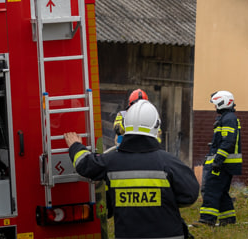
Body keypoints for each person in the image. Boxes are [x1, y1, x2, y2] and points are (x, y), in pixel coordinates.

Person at [64, 99, 199, 239]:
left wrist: (75, 146)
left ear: (125, 126)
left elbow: (84, 165)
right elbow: (189, 196)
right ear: (156, 127)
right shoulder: (169, 163)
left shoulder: (111, 161)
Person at [197, 90, 242, 227]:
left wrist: (217, 161)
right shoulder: (228, 118)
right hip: (226, 164)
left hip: (222, 164)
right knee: (221, 192)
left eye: (216, 104)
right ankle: (228, 220)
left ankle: (207, 220)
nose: (215, 107)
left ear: (223, 103)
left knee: (211, 190)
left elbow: (228, 142)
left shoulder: (228, 119)